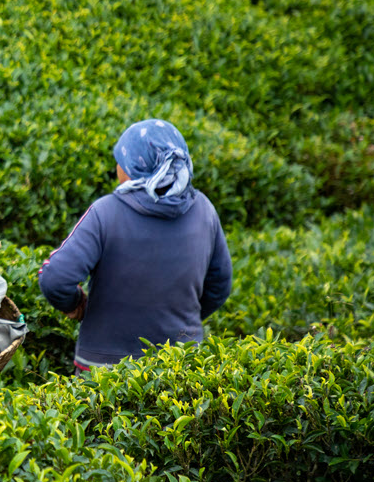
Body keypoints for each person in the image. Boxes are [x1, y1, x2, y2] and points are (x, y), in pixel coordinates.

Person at [37, 119, 232, 370]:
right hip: (180, 368)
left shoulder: (105, 213)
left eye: (120, 160)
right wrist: (180, 319)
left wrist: (75, 305)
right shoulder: (203, 210)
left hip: (103, 372)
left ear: (134, 167)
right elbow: (220, 285)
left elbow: (55, 278)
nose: (117, 167)